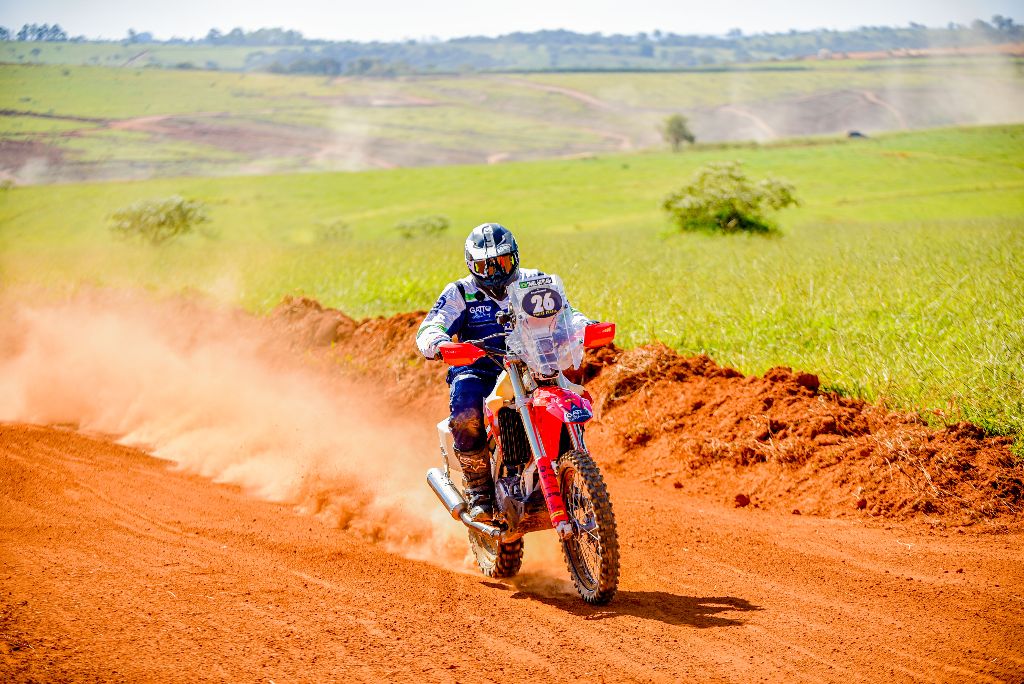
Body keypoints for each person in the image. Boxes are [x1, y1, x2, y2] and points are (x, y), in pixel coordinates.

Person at [416, 223, 591, 522]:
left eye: (503, 262)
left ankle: (571, 470)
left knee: (571, 395)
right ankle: (479, 489)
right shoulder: (461, 292)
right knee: (466, 407)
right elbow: (432, 325)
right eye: (485, 265)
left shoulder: (535, 281)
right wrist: (440, 343)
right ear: (472, 265)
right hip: (480, 368)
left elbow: (567, 314)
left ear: (515, 257)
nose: (495, 271)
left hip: (534, 363)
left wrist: (583, 326)